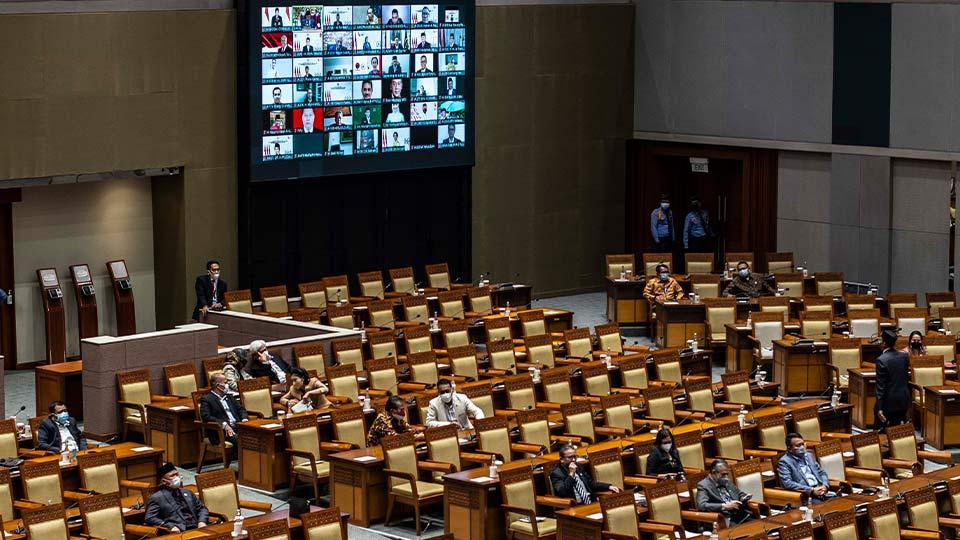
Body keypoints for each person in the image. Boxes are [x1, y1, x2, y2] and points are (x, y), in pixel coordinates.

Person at [145, 463, 210, 532]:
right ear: (164, 481)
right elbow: (150, 517)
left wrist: (202, 521)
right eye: (172, 476)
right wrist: (169, 526)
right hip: (180, 531)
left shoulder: (188, 492)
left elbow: (202, 508)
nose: (176, 477)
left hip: (197, 527)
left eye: (177, 474)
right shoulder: (157, 497)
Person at [550, 444, 620, 504]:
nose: (574, 460)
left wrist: (608, 486)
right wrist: (571, 474)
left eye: (574, 456)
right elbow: (562, 492)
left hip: (590, 501)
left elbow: (590, 484)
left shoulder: (579, 466)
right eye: (570, 457)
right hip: (575, 506)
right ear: (562, 459)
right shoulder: (556, 474)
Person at [778, 433, 834, 503]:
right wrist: (811, 490)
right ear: (789, 448)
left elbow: (821, 473)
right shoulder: (785, 461)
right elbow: (787, 483)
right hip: (806, 495)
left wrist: (825, 485)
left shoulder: (809, 455)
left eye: (802, 444)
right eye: (798, 445)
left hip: (821, 490)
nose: (802, 447)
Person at [696, 460, 754, 525]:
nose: (726, 477)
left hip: (740, 514)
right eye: (723, 474)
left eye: (727, 474)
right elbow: (701, 505)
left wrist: (743, 497)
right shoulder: (703, 485)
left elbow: (739, 493)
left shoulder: (727, 481)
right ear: (714, 472)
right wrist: (724, 506)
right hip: (723, 519)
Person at [199, 373, 248, 445]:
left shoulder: (229, 397)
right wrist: (224, 424)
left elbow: (241, 409)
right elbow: (206, 416)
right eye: (225, 382)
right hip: (222, 432)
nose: (227, 385)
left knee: (257, 437)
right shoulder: (207, 399)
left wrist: (244, 419)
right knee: (245, 441)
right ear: (217, 385)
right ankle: (238, 456)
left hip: (238, 427)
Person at [876, 329, 910, 427]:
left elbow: (880, 387)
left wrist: (879, 408)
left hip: (889, 403)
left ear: (884, 343)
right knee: (900, 431)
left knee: (885, 433)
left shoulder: (881, 360)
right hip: (903, 399)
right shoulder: (904, 356)